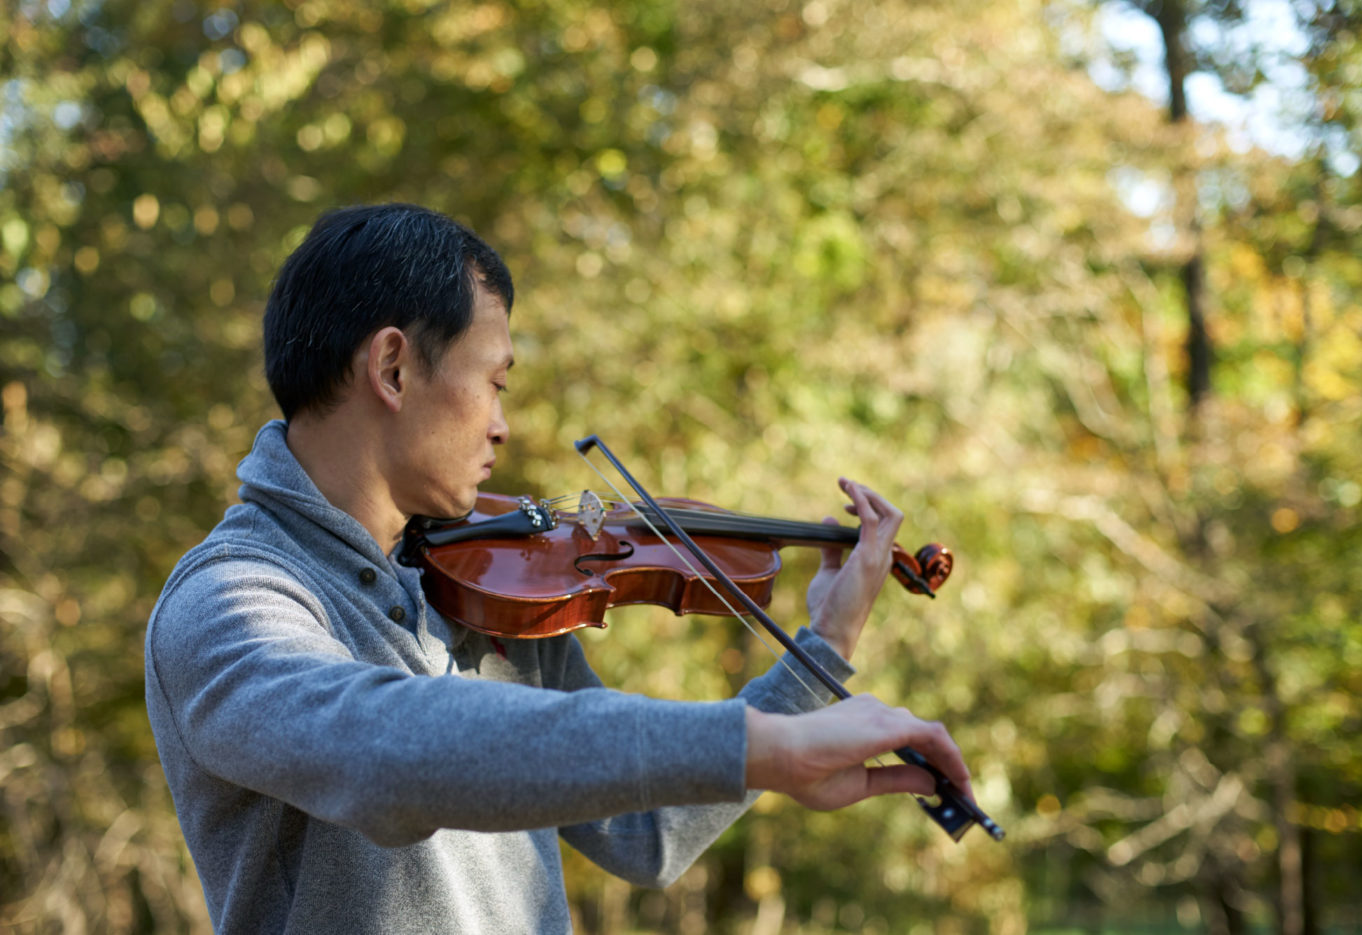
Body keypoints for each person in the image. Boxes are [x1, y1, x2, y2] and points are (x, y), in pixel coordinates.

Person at [145, 203, 974, 933]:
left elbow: (644, 834)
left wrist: (821, 647)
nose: (503, 426)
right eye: (495, 382)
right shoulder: (232, 600)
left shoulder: (489, 581)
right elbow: (388, 755)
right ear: (393, 368)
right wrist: (757, 745)